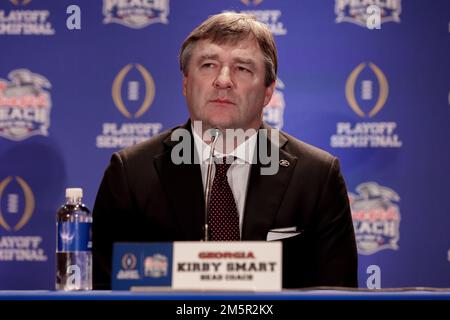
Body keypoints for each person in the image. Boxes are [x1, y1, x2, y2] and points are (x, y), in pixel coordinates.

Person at [92, 12, 358, 289]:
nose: (223, 80)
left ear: (268, 92)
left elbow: (337, 293)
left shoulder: (316, 177)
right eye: (208, 65)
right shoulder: (131, 175)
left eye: (242, 68)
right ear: (185, 83)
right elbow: (108, 292)